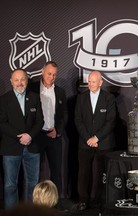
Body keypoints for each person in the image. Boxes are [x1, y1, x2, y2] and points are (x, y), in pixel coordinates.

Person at [0, 68, 44, 209]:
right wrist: (20, 137)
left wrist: (29, 135)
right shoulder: (4, 99)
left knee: (33, 183)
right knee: (10, 185)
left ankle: (29, 211)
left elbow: (40, 121)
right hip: (11, 147)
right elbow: (2, 122)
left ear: (27, 80)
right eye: (17, 80)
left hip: (32, 146)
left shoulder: (35, 97)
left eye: (23, 79)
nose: (20, 83)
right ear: (11, 82)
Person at [74, 71, 116, 211]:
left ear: (101, 82)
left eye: (94, 81)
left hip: (103, 143)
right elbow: (78, 120)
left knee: (101, 173)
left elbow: (110, 121)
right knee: (84, 173)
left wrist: (96, 138)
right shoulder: (81, 98)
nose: (91, 84)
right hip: (85, 143)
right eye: (89, 81)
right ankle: (83, 201)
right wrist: (88, 139)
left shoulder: (109, 98)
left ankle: (99, 201)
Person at [29, 61, 68, 200]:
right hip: (36, 136)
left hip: (53, 136)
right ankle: (35, 203)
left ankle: (55, 203)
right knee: (34, 172)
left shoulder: (60, 91)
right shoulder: (32, 89)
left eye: (54, 75)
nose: (51, 77)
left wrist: (58, 131)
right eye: (49, 73)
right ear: (42, 72)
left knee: (56, 172)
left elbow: (64, 115)